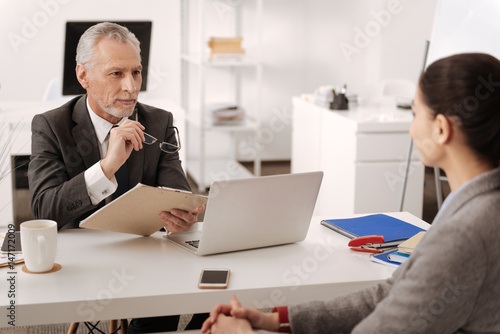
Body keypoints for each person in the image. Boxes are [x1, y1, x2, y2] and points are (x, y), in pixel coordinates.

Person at [201, 52, 500, 334]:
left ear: (440, 129)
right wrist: (274, 320)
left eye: (414, 113)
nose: (410, 129)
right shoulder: (476, 204)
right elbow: (390, 293)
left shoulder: (464, 234)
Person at [28, 22, 207, 333]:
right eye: (116, 73)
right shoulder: (51, 126)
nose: (131, 86)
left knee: (217, 297)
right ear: (83, 75)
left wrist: (181, 216)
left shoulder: (157, 121)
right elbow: (44, 209)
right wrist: (107, 166)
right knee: (159, 308)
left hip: (147, 252)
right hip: (85, 258)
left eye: (136, 72)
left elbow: (178, 192)